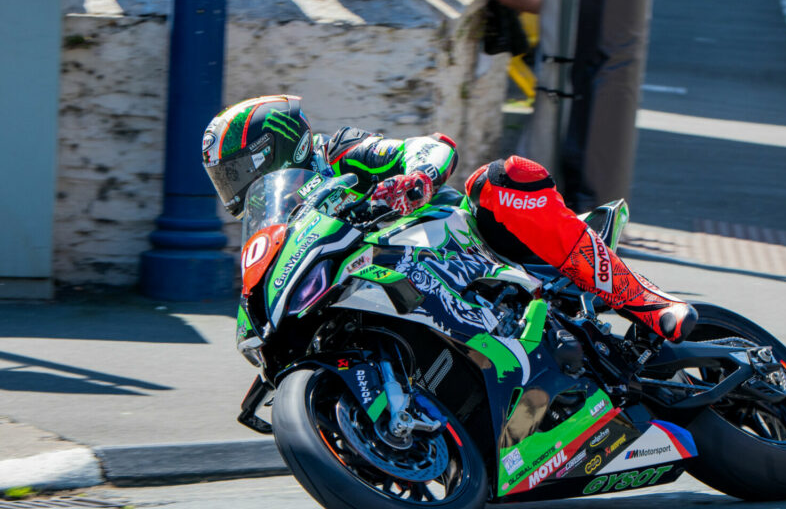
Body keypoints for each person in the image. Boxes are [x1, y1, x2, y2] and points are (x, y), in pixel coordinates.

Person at [201, 95, 697, 343]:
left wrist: (414, 179)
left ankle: (648, 302)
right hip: (387, 284)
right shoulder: (284, 219)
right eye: (224, 178)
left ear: (272, 146)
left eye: (235, 171)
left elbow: (428, 147)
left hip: (470, 246)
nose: (233, 186)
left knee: (501, 179)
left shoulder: (341, 152)